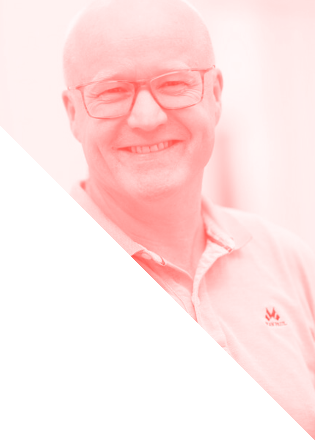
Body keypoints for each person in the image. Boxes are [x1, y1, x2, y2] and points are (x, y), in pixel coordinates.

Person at [61, 0, 315, 433]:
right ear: (73, 113)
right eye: (112, 91)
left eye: (174, 83)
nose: (147, 118)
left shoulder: (289, 263)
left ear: (215, 95)